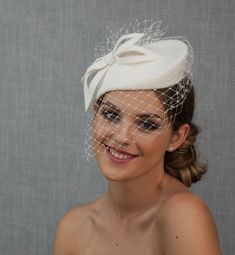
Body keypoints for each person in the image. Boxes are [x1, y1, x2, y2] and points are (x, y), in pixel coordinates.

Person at [53, 21, 222, 254]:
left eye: (146, 124)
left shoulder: (184, 217)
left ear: (176, 137)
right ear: (95, 114)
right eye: (111, 115)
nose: (122, 136)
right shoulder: (72, 228)